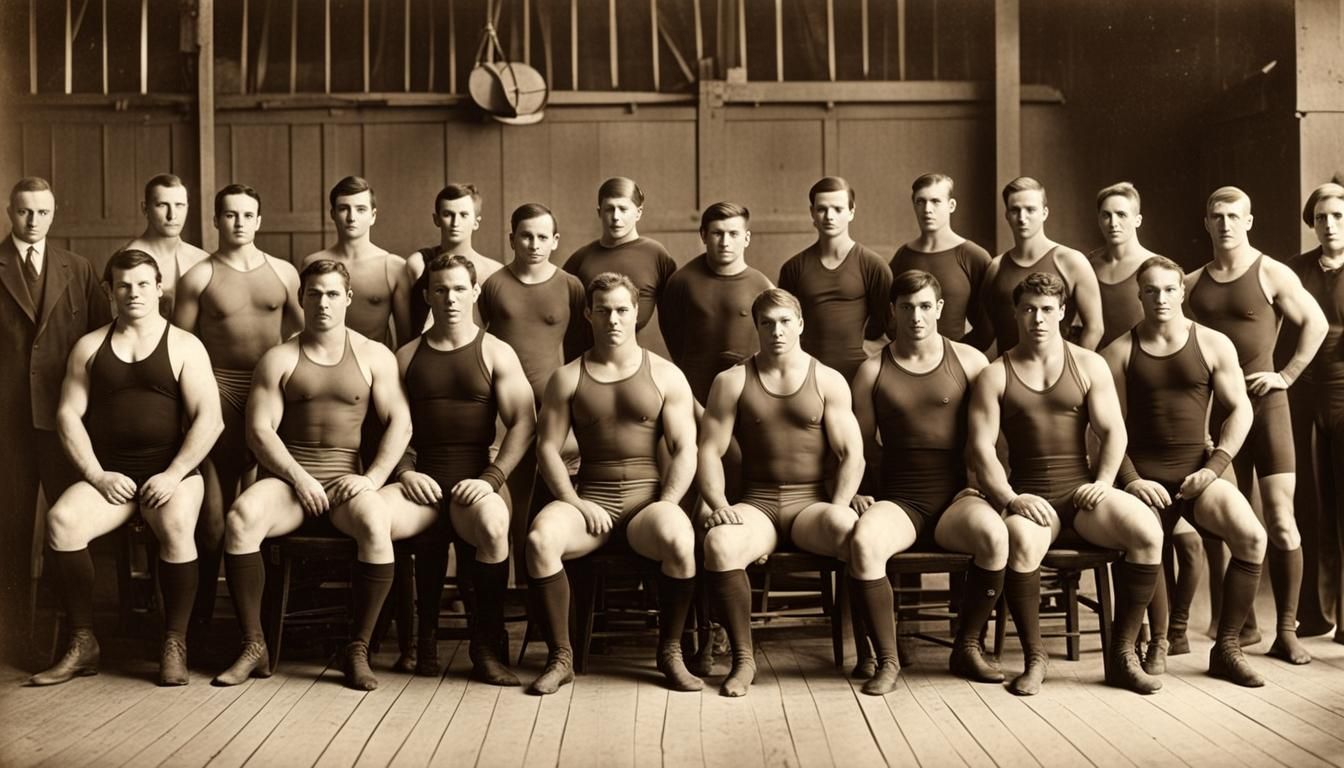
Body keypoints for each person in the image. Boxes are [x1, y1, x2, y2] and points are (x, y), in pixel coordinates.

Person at [212, 260, 411, 691]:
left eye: (332, 294)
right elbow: (259, 431)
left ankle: (356, 647)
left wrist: (374, 478)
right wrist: (299, 478)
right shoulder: (279, 357)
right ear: (301, 298)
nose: (323, 302)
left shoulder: (374, 355)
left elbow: (401, 422)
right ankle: (253, 644)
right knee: (241, 516)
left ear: (349, 298)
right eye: (314, 294)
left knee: (377, 522)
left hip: (344, 483)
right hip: (290, 481)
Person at [28, 250, 222, 686]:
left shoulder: (185, 345)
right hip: (111, 475)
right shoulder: (90, 346)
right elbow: (67, 416)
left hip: (171, 474)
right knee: (61, 522)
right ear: (110, 291)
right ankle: (83, 643)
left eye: (141, 284)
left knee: (174, 526)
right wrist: (97, 475)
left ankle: (174, 641)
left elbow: (211, 420)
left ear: (158, 289)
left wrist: (173, 475)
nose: (132, 293)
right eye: (123, 285)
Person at [968, 272, 1164, 695]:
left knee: (1148, 532)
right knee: (1019, 543)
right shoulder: (995, 373)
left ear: (1063, 313)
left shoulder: (1089, 364)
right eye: (1028, 310)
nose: (1037, 319)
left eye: (1046, 310)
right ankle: (1035, 658)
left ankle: (1123, 654)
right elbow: (982, 450)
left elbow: (1114, 432)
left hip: (1082, 493)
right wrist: (1010, 498)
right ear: (1016, 314)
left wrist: (1106, 482)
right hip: (1030, 497)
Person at [524, 272, 701, 695]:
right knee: (539, 540)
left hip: (647, 504)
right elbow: (547, 448)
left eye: (622, 310)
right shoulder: (567, 378)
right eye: (603, 311)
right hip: (590, 501)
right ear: (588, 314)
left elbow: (685, 448)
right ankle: (561, 656)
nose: (613, 319)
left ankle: (670, 651)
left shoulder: (666, 375)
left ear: (636, 313)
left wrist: (669, 501)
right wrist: (573, 500)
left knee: (679, 539)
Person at [1101, 255, 1268, 686]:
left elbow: (1240, 412)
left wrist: (1214, 468)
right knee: (1146, 539)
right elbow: (1104, 429)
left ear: (1182, 292)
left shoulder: (1213, 344)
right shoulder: (1118, 352)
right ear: (1139, 294)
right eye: (1151, 290)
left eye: (1169, 289)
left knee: (1252, 536)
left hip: (1198, 474)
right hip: (1143, 477)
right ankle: (1156, 643)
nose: (1160, 298)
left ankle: (1227, 647)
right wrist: (1132, 480)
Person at [697, 288, 866, 697]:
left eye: (785, 321)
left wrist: (837, 506)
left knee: (852, 532)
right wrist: (718, 505)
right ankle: (743, 660)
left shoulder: (828, 380)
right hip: (757, 503)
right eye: (767, 323)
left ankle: (868, 652)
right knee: (719, 544)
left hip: (811, 504)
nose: (777, 331)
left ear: (801, 324)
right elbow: (709, 451)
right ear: (756, 327)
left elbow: (852, 455)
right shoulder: (732, 381)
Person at [377, 254, 535, 683]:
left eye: (459, 288)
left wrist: (492, 479)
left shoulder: (495, 352)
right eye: (441, 289)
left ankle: (485, 646)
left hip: (475, 478)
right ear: (427, 295)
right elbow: (389, 426)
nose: (450, 298)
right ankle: (418, 641)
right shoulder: (406, 356)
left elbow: (524, 421)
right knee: (371, 519)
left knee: (495, 525)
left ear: (475, 292)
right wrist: (405, 471)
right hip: (420, 481)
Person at [1186, 186, 1328, 665]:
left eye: (1234, 216)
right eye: (1217, 215)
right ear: (1206, 222)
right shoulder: (1189, 284)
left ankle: (1285, 632)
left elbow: (1316, 322)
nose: (1225, 224)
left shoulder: (1270, 271)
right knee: (1221, 522)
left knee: (1281, 522)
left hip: (1266, 411)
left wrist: (1286, 375)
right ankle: (1239, 626)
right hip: (1218, 416)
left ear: (1249, 221)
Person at [849, 270, 1003, 694]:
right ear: (893, 312)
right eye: (906, 308)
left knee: (995, 537)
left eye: (923, 307)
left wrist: (986, 489)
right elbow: (858, 445)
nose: (915, 316)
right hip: (899, 499)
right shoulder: (871, 370)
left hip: (957, 497)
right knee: (864, 543)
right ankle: (888, 658)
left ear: (939, 309)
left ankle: (967, 646)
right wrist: (860, 491)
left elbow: (990, 438)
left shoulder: (971, 361)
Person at [174, 184, 303, 631]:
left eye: (247, 215)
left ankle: (260, 624)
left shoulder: (285, 274)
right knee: (210, 525)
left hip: (268, 402)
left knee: (259, 517)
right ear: (215, 220)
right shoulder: (198, 277)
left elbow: (305, 341)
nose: (239, 223)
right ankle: (203, 621)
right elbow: (180, 348)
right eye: (229, 215)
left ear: (259, 220)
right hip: (217, 401)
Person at [1089, 182, 1205, 661]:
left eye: (1123, 213)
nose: (1113, 222)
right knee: (1147, 533)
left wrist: (1206, 433)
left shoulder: (1160, 271)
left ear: (1138, 218)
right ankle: (1154, 636)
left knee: (1193, 543)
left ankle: (1178, 630)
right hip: (1126, 425)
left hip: (1183, 438)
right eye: (1106, 214)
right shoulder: (1087, 268)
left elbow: (1192, 373)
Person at [0, 176, 112, 663]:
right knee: (10, 531)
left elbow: (99, 343)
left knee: (71, 526)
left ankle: (76, 635)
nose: (33, 221)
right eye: (24, 212)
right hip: (6, 422)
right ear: (10, 211)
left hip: (65, 420)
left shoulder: (78, 268)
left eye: (42, 212)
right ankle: (14, 640)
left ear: (54, 212)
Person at [478, 204, 586, 540]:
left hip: (553, 403)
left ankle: (536, 579)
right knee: (507, 488)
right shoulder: (494, 285)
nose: (534, 244)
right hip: (503, 406)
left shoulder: (570, 286)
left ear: (555, 241)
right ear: (512, 239)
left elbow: (582, 353)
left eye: (542, 237)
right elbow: (477, 344)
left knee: (552, 492)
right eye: (526, 236)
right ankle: (509, 581)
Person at [1285, 182, 1344, 642]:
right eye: (1321, 217)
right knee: (1308, 502)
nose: (1329, 225)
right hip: (1302, 394)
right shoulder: (1296, 270)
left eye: (1338, 216)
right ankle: (1312, 614)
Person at [660, 202, 774, 406]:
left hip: (749, 390)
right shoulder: (681, 282)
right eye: (717, 233)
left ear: (746, 238)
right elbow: (673, 337)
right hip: (696, 392)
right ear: (703, 235)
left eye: (733, 234)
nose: (725, 242)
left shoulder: (763, 286)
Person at [778, 177, 893, 380]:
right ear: (812, 213)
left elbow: (890, 326)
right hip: (806, 373)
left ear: (851, 212)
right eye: (822, 209)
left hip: (858, 374)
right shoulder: (793, 268)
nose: (829, 216)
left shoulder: (873, 266)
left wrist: (864, 357)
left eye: (838, 209)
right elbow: (785, 326)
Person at [983, 177, 1102, 353]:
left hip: (1058, 373)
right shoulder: (996, 267)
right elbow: (987, 332)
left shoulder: (1072, 262)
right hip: (1009, 373)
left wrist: (1074, 370)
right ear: (1007, 215)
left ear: (1044, 213)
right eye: (1015, 210)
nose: (1022, 218)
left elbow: (1095, 328)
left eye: (1030, 210)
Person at [563, 177, 677, 352]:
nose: (616, 217)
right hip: (583, 359)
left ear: (638, 212)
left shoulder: (657, 255)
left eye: (623, 209)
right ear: (599, 212)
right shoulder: (580, 259)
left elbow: (675, 320)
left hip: (632, 360)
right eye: (609, 209)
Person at [302, 176, 412, 346]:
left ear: (373, 215)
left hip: (373, 367)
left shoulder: (393, 267)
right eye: (344, 209)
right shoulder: (313, 263)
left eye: (360, 209)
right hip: (323, 365)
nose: (351, 217)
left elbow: (406, 340)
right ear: (333, 214)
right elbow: (305, 327)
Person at [889, 174, 993, 348]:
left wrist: (957, 355)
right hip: (907, 361)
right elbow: (888, 315)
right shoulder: (903, 255)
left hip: (955, 364)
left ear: (951, 205)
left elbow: (987, 328)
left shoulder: (973, 256)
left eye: (936, 201)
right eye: (920, 201)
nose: (927, 209)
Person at [408, 183, 503, 332]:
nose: (455, 223)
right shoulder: (419, 263)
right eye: (448, 214)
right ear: (436, 219)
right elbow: (407, 330)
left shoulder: (494, 271)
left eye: (463, 215)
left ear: (476, 222)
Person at [121, 174, 210, 319]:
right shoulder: (126, 259)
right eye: (162, 205)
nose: (172, 215)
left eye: (179, 205)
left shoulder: (202, 259)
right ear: (145, 209)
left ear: (187, 207)